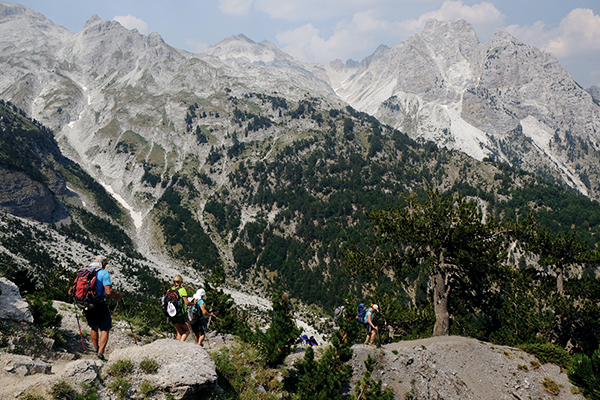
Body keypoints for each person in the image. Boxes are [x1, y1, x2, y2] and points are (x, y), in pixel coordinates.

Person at [84, 255, 124, 361]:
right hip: (99, 303)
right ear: (102, 263)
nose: (106, 265)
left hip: (87, 303)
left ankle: (96, 349)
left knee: (94, 326)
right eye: (105, 263)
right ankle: (100, 354)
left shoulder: (85, 271)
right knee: (105, 328)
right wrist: (118, 296)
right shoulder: (103, 273)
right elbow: (108, 291)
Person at [170, 275, 194, 341]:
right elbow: (187, 302)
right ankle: (181, 344)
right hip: (181, 313)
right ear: (180, 282)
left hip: (172, 314)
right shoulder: (182, 290)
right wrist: (193, 304)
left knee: (178, 332)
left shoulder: (169, 290)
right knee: (187, 330)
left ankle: (178, 346)